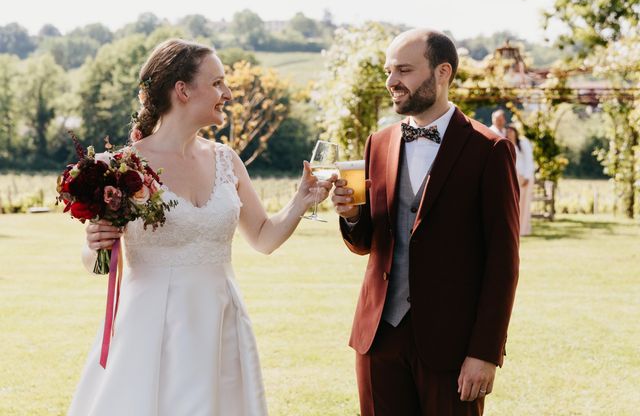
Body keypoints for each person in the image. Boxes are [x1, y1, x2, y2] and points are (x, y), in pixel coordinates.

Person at [68, 39, 334, 416]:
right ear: (182, 90)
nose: (226, 93)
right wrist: (92, 244)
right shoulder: (120, 167)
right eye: (218, 83)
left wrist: (300, 201)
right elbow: (99, 262)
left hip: (219, 321)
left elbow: (263, 237)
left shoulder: (226, 160)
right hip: (149, 325)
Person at [331, 29, 520, 416]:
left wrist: (484, 353)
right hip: (378, 338)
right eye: (388, 71)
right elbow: (368, 241)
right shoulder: (378, 143)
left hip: (452, 345)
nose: (391, 82)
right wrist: (351, 216)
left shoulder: (490, 150)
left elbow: (503, 262)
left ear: (442, 72)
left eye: (403, 70)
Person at [506, 125, 535, 236]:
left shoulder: (523, 143)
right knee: (514, 203)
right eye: (508, 131)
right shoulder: (506, 143)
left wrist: (527, 176)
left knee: (524, 203)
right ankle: (514, 227)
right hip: (513, 176)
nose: (509, 133)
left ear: (515, 132)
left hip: (524, 176)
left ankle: (523, 229)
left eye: (511, 131)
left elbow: (529, 160)